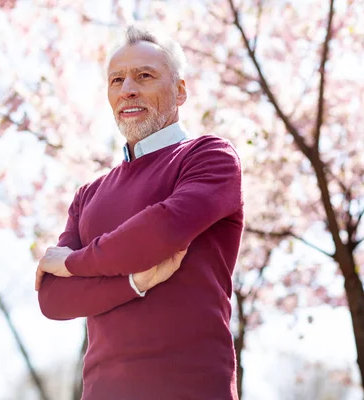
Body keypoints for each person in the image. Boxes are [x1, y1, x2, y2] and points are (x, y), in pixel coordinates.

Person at [34, 26, 244, 399]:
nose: (127, 88)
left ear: (180, 90)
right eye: (117, 80)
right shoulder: (88, 195)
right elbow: (53, 298)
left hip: (192, 386)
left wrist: (72, 263)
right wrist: (134, 283)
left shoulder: (210, 156)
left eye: (144, 75)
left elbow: (161, 233)